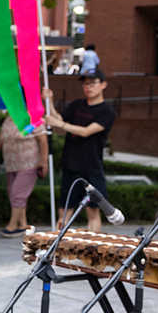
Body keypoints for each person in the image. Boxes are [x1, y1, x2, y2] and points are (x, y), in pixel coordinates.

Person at [44, 69, 116, 231]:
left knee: (92, 210)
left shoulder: (107, 111)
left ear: (103, 85)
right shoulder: (76, 105)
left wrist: (60, 124)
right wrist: (49, 101)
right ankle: (56, 249)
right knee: (64, 210)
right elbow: (59, 120)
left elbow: (85, 131)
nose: (88, 87)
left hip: (91, 167)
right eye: (85, 84)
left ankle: (92, 248)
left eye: (92, 83)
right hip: (70, 164)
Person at [0, 114, 47, 236]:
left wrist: (43, 161)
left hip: (29, 163)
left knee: (18, 194)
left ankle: (12, 226)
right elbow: (1, 139)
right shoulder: (8, 119)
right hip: (11, 164)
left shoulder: (32, 118)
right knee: (14, 193)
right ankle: (23, 224)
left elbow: (43, 140)